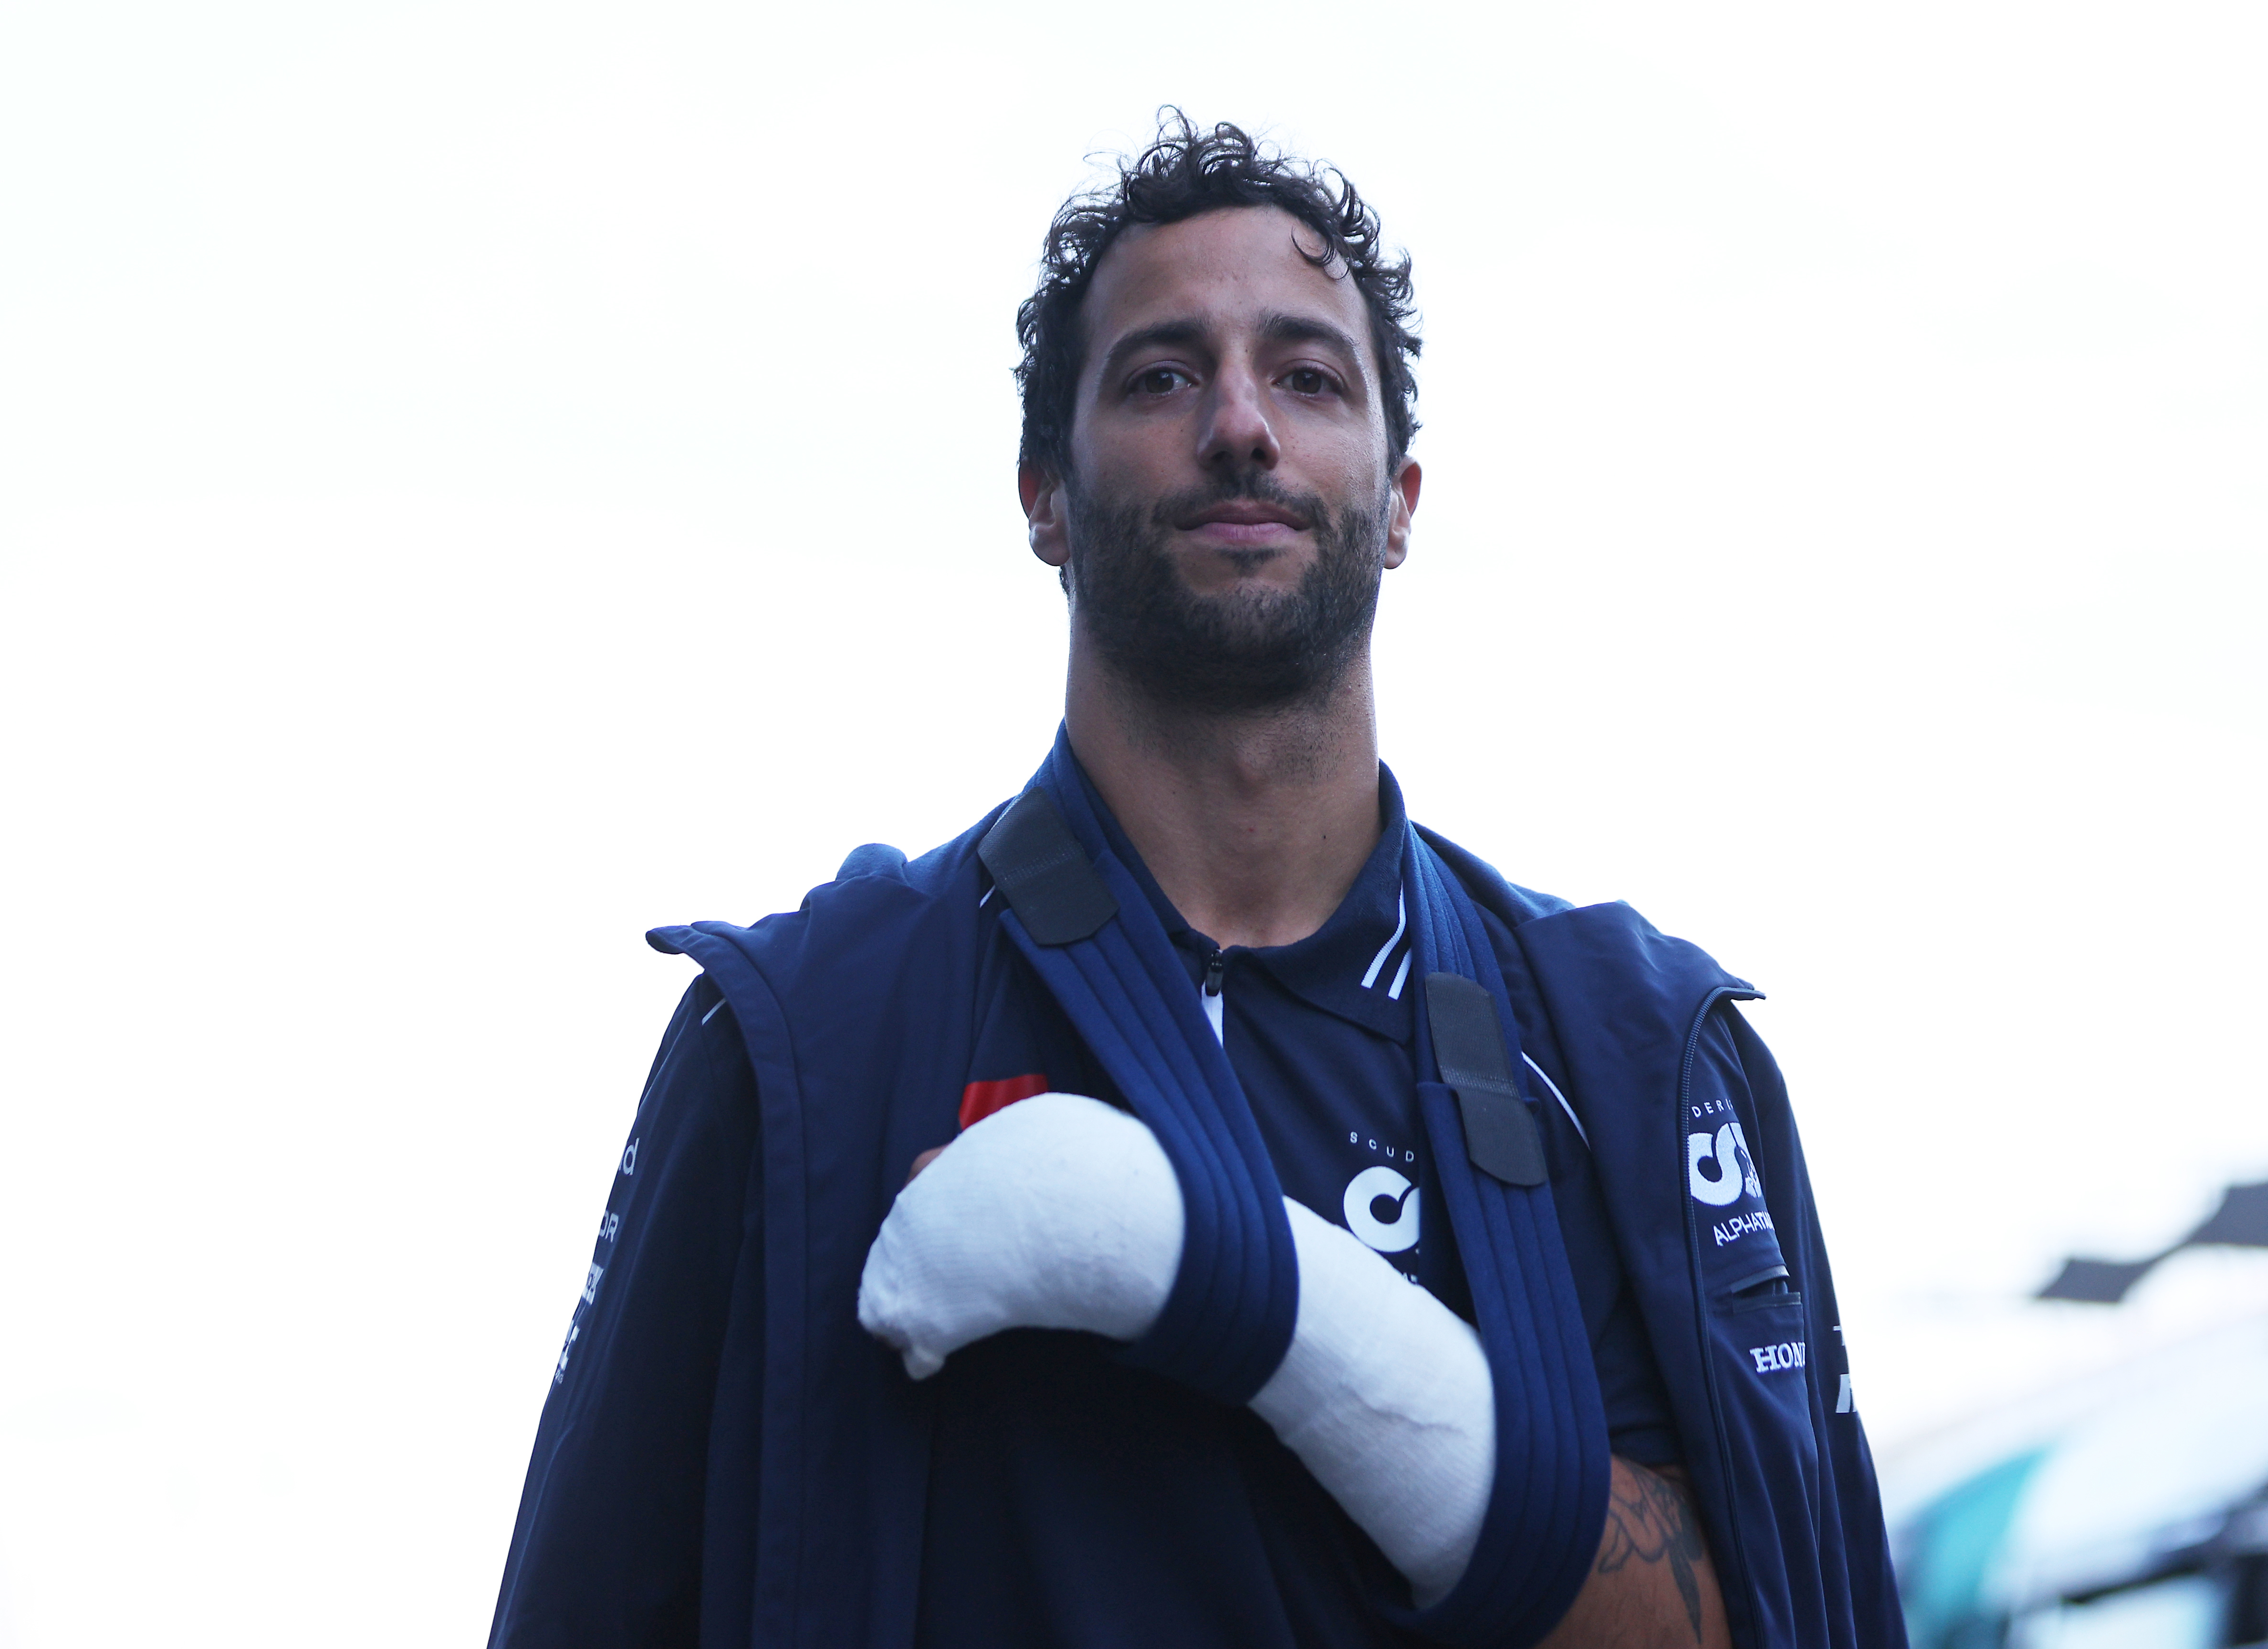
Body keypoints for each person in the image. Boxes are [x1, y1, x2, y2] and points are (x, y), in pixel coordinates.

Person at [486, 114, 1905, 1649]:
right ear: (1042, 493)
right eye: (1163, 376)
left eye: (1307, 377)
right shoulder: (804, 1042)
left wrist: (1245, 1294)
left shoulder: (1628, 1051)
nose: (1242, 425)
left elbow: (1765, 1609)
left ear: (1403, 497)